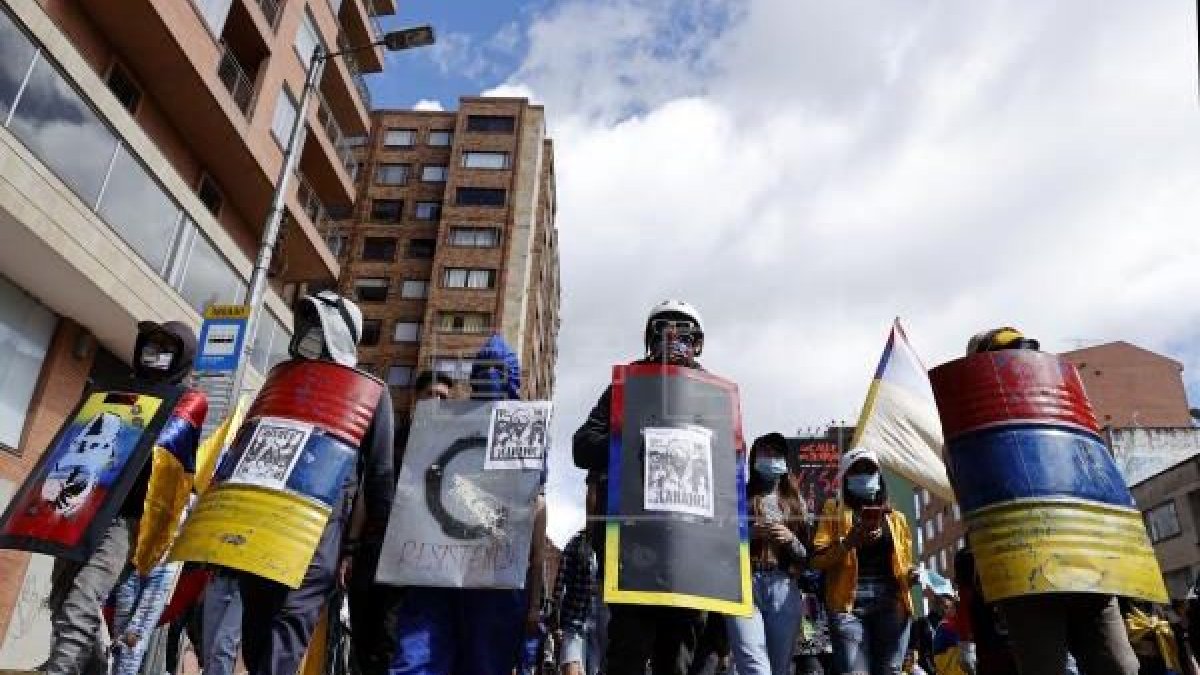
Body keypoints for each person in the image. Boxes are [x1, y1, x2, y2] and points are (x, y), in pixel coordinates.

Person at [182, 291, 394, 675]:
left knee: (284, 638)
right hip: (257, 532)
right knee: (257, 638)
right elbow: (243, 451)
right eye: (306, 324)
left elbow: (380, 477)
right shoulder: (282, 380)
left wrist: (369, 552)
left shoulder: (371, 394)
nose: (309, 333)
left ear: (339, 333)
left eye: (319, 325)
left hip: (315, 537)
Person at [958, 328, 1141, 675]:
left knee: (1119, 665)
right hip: (1024, 567)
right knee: (1046, 667)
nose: (1019, 359)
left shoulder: (1063, 413)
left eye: (1022, 351)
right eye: (1006, 353)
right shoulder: (970, 436)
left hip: (1087, 557)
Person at [44, 320, 208, 675]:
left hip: (124, 522)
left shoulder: (186, 404)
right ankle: (94, 668)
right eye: (151, 344)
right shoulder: (114, 391)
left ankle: (59, 669)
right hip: (81, 510)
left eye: (166, 348)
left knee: (81, 600)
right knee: (59, 601)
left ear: (183, 356)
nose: (155, 354)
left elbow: (171, 465)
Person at [388, 334, 548, 675]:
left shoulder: (446, 423)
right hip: (467, 571)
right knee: (440, 659)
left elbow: (534, 511)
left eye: (495, 370)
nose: (490, 376)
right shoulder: (515, 428)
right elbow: (536, 512)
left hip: (460, 570)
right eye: (486, 369)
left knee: (428, 658)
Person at [573, 299, 711, 675]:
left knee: (677, 660)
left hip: (690, 553)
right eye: (665, 330)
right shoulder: (625, 385)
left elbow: (728, 477)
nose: (673, 338)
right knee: (627, 655)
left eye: (683, 332)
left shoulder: (714, 396)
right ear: (650, 338)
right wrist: (634, 438)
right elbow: (582, 445)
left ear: (697, 342)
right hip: (633, 546)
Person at [340, 370, 453, 675]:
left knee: (393, 642)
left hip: (414, 561)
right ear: (416, 400)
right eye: (430, 394)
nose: (436, 401)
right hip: (373, 549)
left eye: (444, 397)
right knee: (362, 635)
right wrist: (350, 548)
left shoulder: (452, 450)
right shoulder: (390, 440)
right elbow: (367, 490)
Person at [811, 448, 918, 675]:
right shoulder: (833, 510)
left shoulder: (896, 519)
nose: (863, 476)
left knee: (890, 670)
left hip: (891, 606)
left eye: (869, 470)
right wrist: (848, 543)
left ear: (879, 476)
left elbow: (905, 564)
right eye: (856, 471)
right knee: (854, 671)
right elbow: (817, 559)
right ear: (845, 478)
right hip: (848, 606)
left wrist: (912, 576)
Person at [726, 432, 808, 675]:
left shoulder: (796, 502)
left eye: (777, 454)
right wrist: (748, 535)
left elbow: (808, 556)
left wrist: (790, 539)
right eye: (765, 453)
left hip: (783, 586)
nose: (771, 459)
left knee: (779, 668)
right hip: (744, 583)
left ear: (785, 461)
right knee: (755, 666)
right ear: (753, 459)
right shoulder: (738, 496)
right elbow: (717, 545)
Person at [555, 476, 604, 675]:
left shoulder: (614, 544)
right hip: (575, 618)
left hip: (603, 621)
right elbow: (560, 581)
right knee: (571, 665)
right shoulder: (576, 543)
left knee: (597, 668)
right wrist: (556, 620)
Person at [931, 593, 970, 675]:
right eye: (946, 607)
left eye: (952, 606)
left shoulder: (950, 624)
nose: (950, 609)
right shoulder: (945, 627)